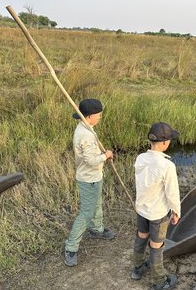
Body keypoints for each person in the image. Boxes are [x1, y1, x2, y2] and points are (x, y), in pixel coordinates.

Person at [64, 98, 116, 267]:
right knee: (86, 213)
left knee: (97, 205)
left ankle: (97, 229)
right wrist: (106, 155)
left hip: (95, 177)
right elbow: (91, 161)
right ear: (90, 116)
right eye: (99, 115)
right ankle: (71, 248)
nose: (100, 117)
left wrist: (102, 157)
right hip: (88, 179)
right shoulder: (85, 135)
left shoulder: (87, 128)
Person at [130, 122, 181, 290]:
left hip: (142, 209)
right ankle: (158, 281)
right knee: (156, 245)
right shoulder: (167, 165)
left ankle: (137, 269)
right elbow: (172, 193)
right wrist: (176, 211)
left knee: (141, 236)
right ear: (165, 143)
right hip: (158, 214)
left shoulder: (140, 158)